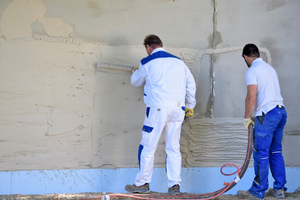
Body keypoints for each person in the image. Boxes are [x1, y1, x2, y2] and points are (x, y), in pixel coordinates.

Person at [125, 34, 196, 195]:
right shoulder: (179, 62)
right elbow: (191, 85)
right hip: (178, 109)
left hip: (157, 110)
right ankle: (174, 186)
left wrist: (136, 70)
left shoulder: (147, 62)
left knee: (148, 146)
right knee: (173, 148)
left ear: (148, 47)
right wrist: (189, 106)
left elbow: (135, 81)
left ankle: (142, 183)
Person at [237, 44, 288, 199]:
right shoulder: (270, 69)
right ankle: (279, 189)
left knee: (261, 152)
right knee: (276, 151)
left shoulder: (252, 71)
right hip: (280, 111)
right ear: (258, 54)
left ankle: (258, 190)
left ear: (245, 57)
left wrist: (247, 117)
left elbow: (252, 96)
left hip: (267, 114)